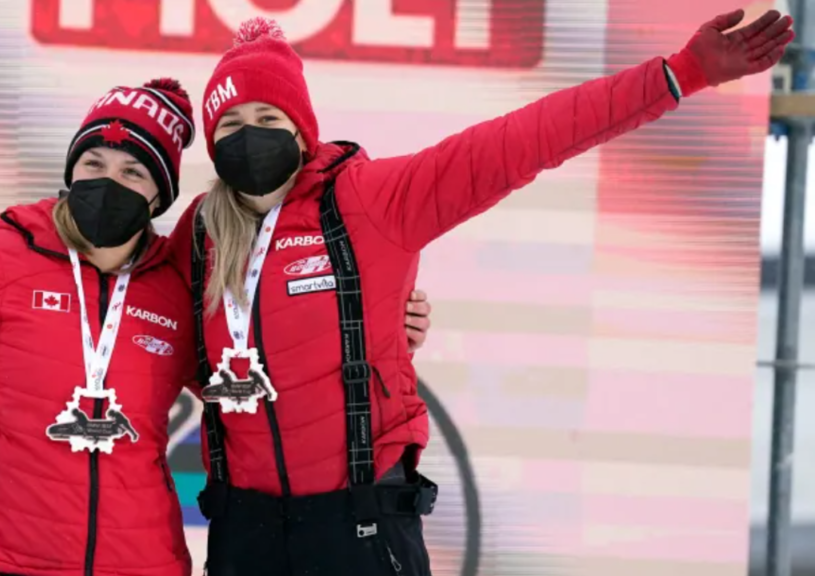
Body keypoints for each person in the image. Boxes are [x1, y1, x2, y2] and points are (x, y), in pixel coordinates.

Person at [168, 9, 794, 576]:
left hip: (359, 528)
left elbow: (528, 138)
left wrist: (679, 73)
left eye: (267, 118)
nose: (249, 137)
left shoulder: (372, 200)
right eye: (232, 125)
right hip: (242, 536)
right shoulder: (198, 235)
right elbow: (144, 339)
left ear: (302, 129)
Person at [0, 78, 435, 576]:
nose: (110, 181)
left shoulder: (176, 283)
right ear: (70, 169)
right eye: (93, 163)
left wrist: (371, 328)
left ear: (159, 195)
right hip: (7, 561)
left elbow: (255, 384)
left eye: (134, 171)